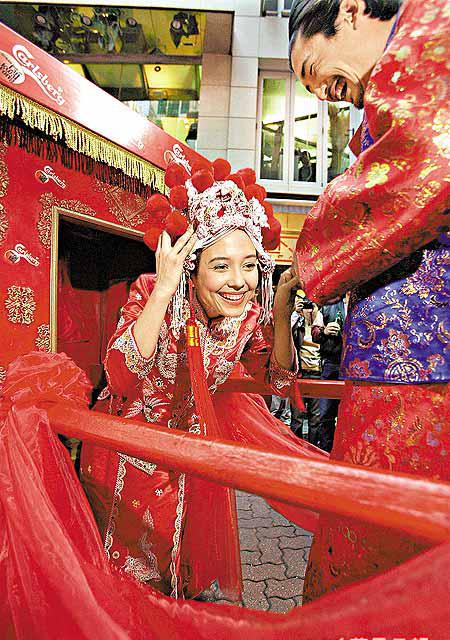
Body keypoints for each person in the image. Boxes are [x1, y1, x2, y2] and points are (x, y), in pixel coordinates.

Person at [81, 158, 325, 602]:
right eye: (221, 266)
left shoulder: (248, 315)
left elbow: (277, 379)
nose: (239, 282)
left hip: (191, 458)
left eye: (249, 266)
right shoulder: (153, 290)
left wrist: (282, 305)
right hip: (129, 454)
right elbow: (120, 374)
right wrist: (163, 288)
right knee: (130, 584)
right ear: (191, 268)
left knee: (179, 578)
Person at [289, 0, 449, 601]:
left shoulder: (428, 34)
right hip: (400, 361)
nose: (321, 94)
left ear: (351, 11)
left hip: (419, 364)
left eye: (313, 68)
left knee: (384, 561)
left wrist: (306, 260)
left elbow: (423, 160)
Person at [311, 299, 346, 452]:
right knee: (325, 414)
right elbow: (314, 333)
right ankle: (325, 452)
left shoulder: (364, 302)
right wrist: (324, 331)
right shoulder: (329, 305)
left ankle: (344, 452)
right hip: (332, 363)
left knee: (349, 414)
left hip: (355, 365)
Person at [290, 292, 321, 445]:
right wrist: (295, 313)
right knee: (297, 417)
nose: (308, 310)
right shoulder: (298, 324)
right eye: (306, 306)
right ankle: (296, 449)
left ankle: (313, 449)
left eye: (311, 306)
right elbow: (286, 335)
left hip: (318, 374)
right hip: (300, 375)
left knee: (316, 418)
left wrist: (318, 318)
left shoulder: (321, 325)